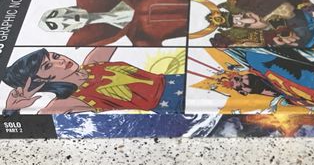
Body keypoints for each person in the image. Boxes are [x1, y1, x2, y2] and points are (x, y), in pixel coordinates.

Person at [2, 48, 184, 115]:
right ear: (40, 80)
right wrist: (11, 110)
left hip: (177, 80)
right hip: (173, 104)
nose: (61, 61)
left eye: (55, 56)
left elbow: (115, 31)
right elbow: (40, 122)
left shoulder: (92, 62)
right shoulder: (69, 100)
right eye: (48, 66)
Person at [39, 0, 190, 46]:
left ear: (67, 7)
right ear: (70, 30)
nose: (67, 18)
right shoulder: (140, 40)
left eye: (59, 13)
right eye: (61, 24)